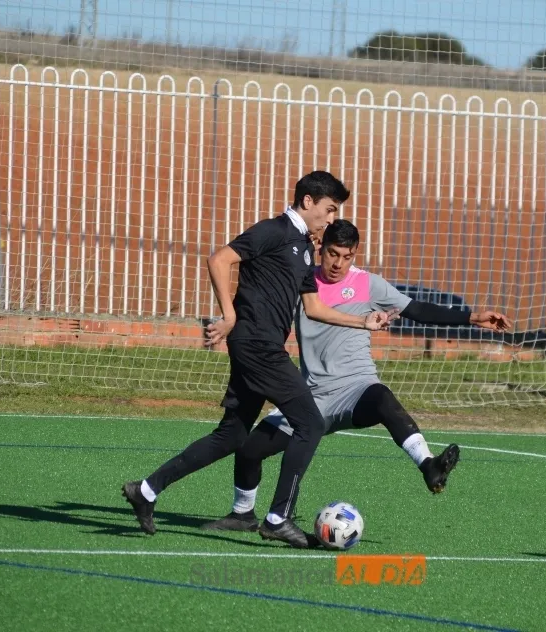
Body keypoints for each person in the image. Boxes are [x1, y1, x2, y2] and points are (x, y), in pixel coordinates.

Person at [122, 172, 395, 549]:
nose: (331, 219)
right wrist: (229, 314)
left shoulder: (301, 246)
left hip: (261, 347)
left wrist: (362, 321)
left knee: (231, 436)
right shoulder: (273, 230)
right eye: (329, 209)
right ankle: (277, 518)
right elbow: (219, 259)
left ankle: (147, 490)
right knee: (310, 423)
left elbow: (314, 307)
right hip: (256, 345)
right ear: (307, 202)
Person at [200, 219, 513, 533]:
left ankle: (428, 464)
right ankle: (243, 514)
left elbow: (416, 309)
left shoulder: (368, 284)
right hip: (310, 396)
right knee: (249, 450)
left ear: (355, 255)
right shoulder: (302, 280)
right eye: (333, 254)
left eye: (347, 256)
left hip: (356, 389)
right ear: (320, 249)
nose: (338, 263)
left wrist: (472, 317)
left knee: (381, 397)